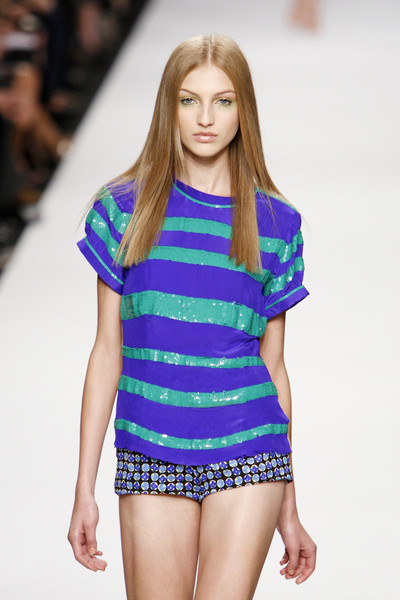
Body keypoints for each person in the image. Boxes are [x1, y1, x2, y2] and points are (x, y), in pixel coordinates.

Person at [67, 33, 317, 599]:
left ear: (243, 111)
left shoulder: (276, 223)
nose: (206, 118)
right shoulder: (124, 209)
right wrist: (84, 487)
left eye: (223, 101)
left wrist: (289, 504)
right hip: (149, 444)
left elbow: (274, 366)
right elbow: (107, 350)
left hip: (249, 447)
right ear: (169, 107)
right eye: (189, 100)